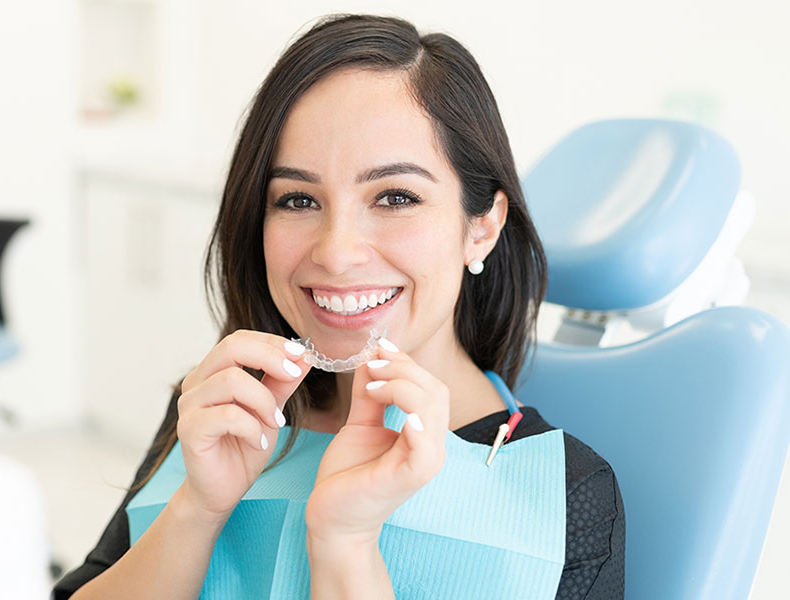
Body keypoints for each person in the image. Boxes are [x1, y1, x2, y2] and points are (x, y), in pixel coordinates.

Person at [54, 13, 624, 599]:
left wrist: (343, 543)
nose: (336, 253)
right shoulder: (219, 408)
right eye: (298, 199)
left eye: (396, 196)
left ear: (481, 227)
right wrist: (196, 509)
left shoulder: (565, 492)